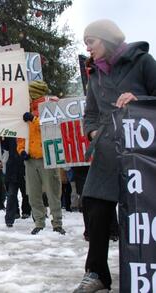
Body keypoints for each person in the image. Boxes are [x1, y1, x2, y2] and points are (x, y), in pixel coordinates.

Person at [74, 19, 156, 293]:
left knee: (143, 211)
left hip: (142, 152)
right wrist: (92, 133)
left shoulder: (143, 61)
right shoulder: (94, 75)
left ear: (106, 40)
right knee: (95, 205)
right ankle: (96, 273)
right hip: (107, 150)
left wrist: (139, 100)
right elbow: (91, 114)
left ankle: (147, 269)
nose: (88, 48)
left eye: (91, 42)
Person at [17, 80, 65, 235]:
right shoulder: (25, 109)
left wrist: (33, 119)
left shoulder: (51, 106)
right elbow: (20, 135)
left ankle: (57, 222)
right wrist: (21, 150)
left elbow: (50, 126)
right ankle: (39, 222)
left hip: (48, 156)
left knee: (53, 192)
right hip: (30, 158)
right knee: (33, 193)